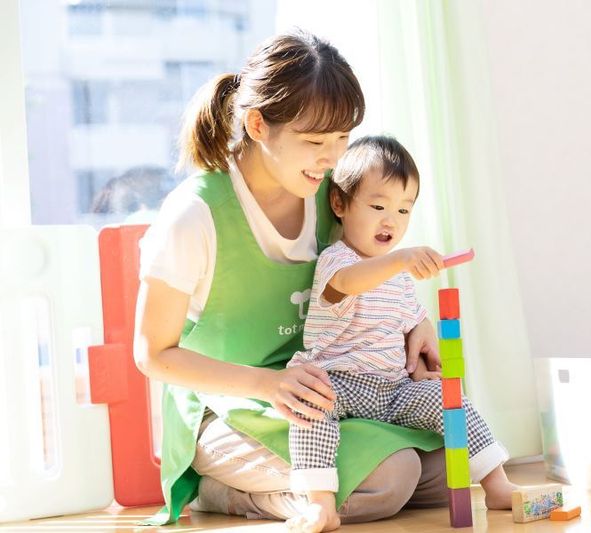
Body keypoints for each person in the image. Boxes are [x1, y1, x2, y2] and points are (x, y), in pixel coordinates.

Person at [133, 31, 447, 526]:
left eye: (342, 138)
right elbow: (152, 354)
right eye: (315, 141)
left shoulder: (331, 195)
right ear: (258, 124)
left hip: (327, 397)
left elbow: (364, 276)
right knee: (392, 477)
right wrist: (269, 384)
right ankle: (222, 492)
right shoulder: (194, 216)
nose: (332, 158)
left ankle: (318, 487)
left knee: (446, 466)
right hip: (230, 408)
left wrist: (417, 324)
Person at [284, 136, 515, 532]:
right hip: (341, 383)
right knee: (310, 402)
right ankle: (321, 503)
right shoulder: (336, 261)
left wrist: (425, 366)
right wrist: (400, 259)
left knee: (448, 397)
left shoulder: (401, 279)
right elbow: (349, 283)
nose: (390, 221)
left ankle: (497, 485)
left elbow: (415, 328)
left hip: (393, 389)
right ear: (339, 204)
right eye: (378, 207)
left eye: (404, 210)